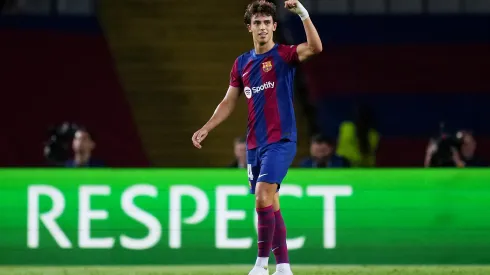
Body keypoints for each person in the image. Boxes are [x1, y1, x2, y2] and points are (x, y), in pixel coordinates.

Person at [191, 1, 322, 274]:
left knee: (262, 196)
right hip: (254, 145)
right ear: (249, 27)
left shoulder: (285, 55)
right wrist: (208, 126)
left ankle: (261, 266)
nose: (262, 27)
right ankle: (284, 268)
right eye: (257, 23)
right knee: (271, 203)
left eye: (266, 23)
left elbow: (315, 47)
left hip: (282, 140)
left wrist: (302, 14)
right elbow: (228, 101)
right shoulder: (242, 63)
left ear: (274, 26)